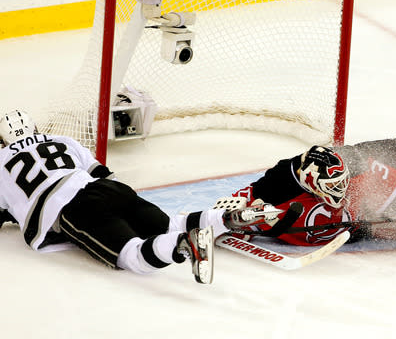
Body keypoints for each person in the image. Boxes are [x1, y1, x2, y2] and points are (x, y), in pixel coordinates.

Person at [0, 109, 250, 284]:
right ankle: (226, 218)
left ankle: (184, 244)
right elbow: (102, 173)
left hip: (72, 208)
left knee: (132, 256)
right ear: (34, 128)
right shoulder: (62, 139)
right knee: (168, 224)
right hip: (110, 190)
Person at [219, 118, 396, 254]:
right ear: (311, 184)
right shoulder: (282, 181)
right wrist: (234, 217)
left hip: (367, 172)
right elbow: (248, 198)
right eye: (332, 188)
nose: (337, 192)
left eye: (340, 184)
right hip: (354, 220)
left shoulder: (359, 169)